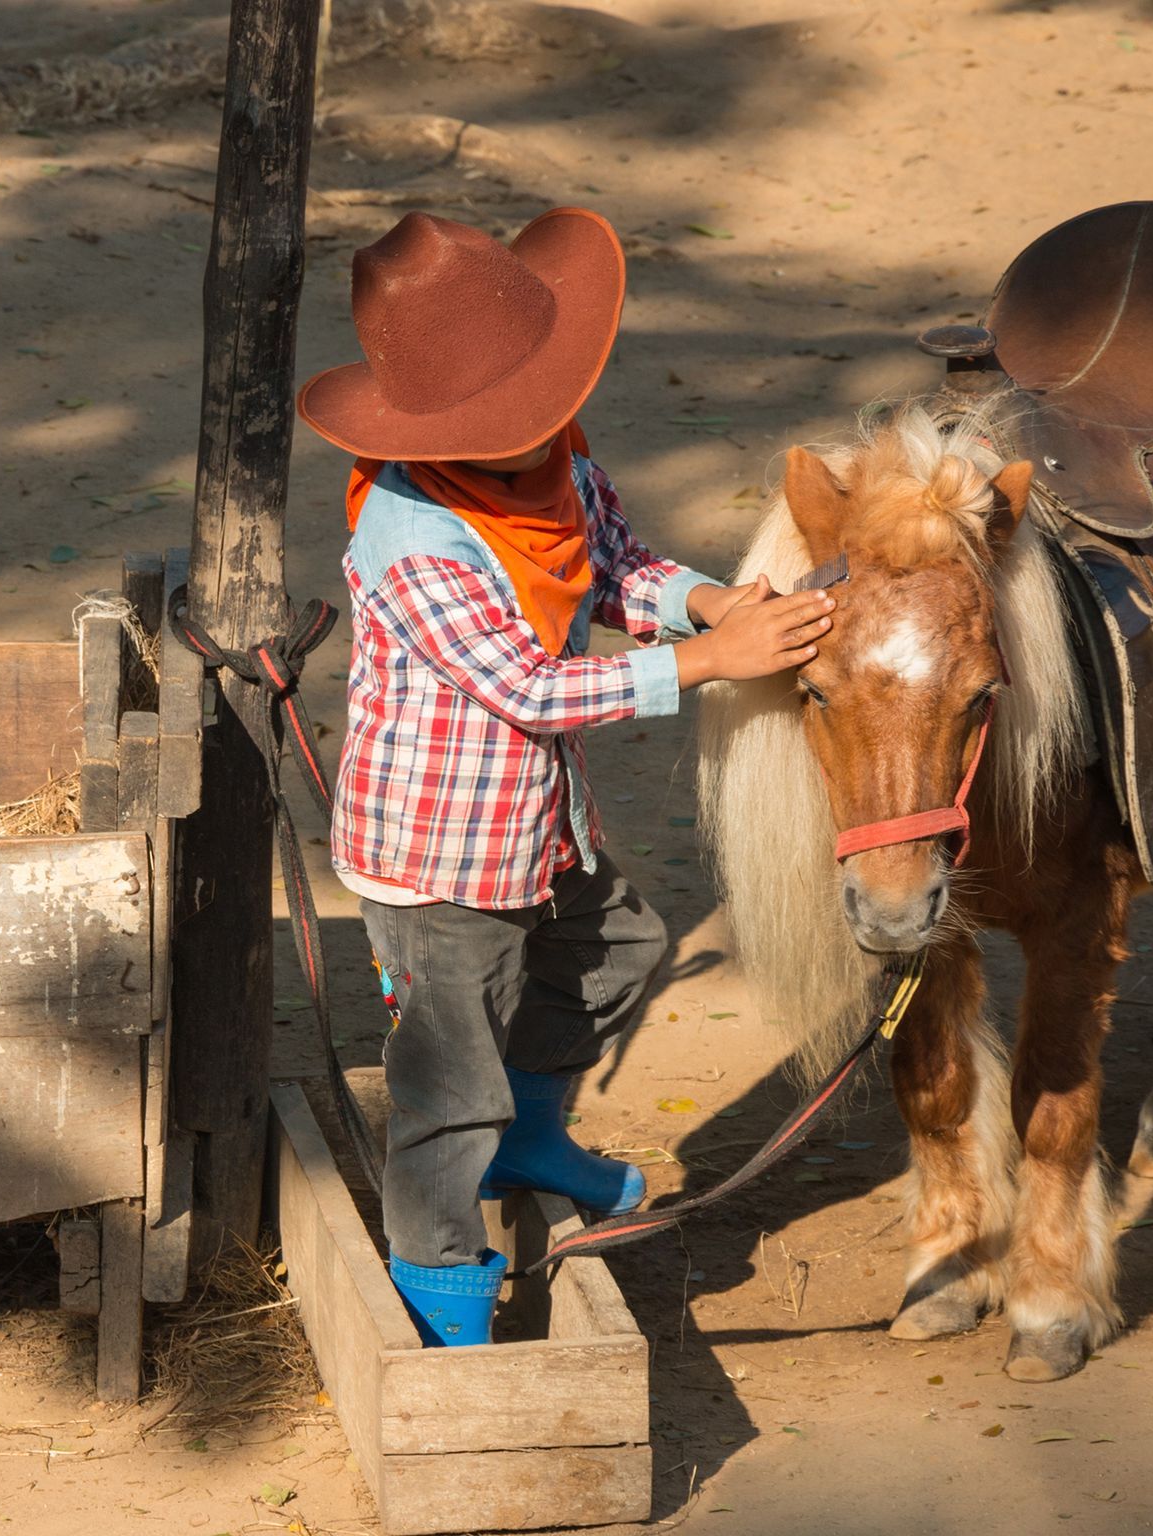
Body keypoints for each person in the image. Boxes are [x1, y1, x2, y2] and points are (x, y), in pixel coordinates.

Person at [296, 207, 833, 1346]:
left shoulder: (556, 459)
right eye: (512, 424)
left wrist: (704, 602)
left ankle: (534, 1133)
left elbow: (620, 563)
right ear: (437, 432)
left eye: (545, 409)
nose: (540, 437)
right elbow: (528, 688)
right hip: (440, 852)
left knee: (622, 946)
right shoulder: (412, 533)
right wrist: (702, 663)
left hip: (534, 821)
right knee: (449, 1088)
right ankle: (441, 1285)